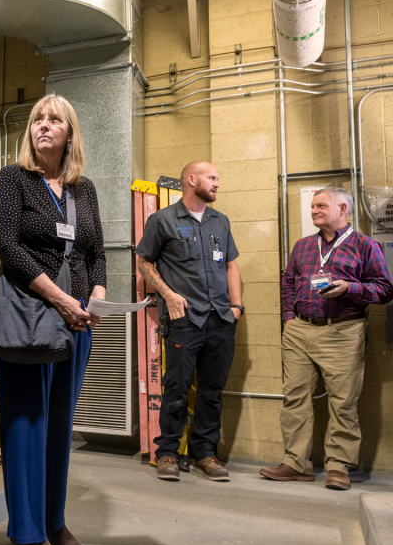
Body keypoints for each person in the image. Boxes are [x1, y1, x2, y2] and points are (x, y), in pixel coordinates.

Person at [0, 93, 106, 545]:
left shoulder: (85, 190)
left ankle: (54, 522)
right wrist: (61, 299)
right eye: (38, 118)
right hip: (30, 319)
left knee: (59, 425)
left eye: (54, 119)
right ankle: (28, 536)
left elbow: (96, 252)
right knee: (26, 426)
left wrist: (95, 296)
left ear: (69, 133)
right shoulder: (14, 180)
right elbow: (7, 246)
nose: (43, 125)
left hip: (76, 324)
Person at [260, 187, 392, 490]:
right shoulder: (303, 246)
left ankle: (338, 467)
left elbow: (384, 289)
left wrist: (350, 288)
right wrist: (288, 319)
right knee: (294, 398)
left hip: (343, 331)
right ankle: (296, 463)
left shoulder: (365, 245)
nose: (314, 211)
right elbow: (288, 283)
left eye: (321, 206)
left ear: (342, 208)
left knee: (343, 402)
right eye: (312, 206)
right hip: (299, 330)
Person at [134, 161, 243, 482]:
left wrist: (236, 307)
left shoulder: (220, 222)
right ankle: (167, 451)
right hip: (184, 320)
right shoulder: (163, 220)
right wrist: (167, 294)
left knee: (212, 391)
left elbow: (232, 266)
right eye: (212, 178)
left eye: (217, 179)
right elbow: (143, 261)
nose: (217, 184)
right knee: (177, 388)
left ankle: (205, 453)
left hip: (221, 319)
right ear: (191, 180)